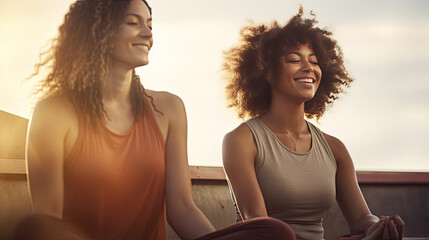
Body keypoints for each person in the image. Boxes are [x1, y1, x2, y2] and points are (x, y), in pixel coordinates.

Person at [14, 0, 296, 239]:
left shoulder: (168, 109)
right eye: (133, 22)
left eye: (150, 24)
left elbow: (182, 208)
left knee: (273, 231)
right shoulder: (54, 111)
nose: (147, 33)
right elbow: (46, 219)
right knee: (30, 225)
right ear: (97, 30)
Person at [222, 7, 405, 240]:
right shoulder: (241, 140)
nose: (309, 68)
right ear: (266, 72)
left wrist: (380, 226)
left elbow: (361, 219)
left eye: (314, 61)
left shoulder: (334, 148)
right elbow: (259, 225)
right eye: (294, 60)